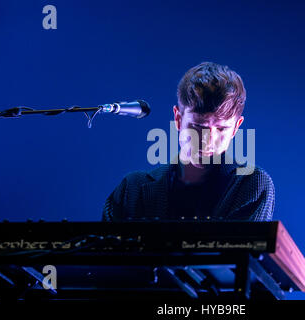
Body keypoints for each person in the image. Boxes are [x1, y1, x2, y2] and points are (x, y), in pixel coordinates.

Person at [102, 62, 275, 222]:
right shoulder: (132, 188)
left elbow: (239, 255)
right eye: (198, 126)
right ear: (178, 119)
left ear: (236, 128)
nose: (208, 140)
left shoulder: (252, 184)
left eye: (221, 129)